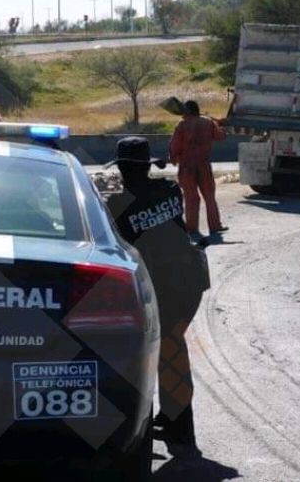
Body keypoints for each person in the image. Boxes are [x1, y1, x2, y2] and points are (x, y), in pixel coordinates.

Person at [105, 137, 209, 459]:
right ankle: (175, 418)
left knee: (167, 347)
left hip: (165, 283)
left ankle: (181, 430)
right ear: (147, 166)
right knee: (171, 347)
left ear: (122, 168)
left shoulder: (118, 205)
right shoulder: (168, 190)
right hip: (190, 279)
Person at [169, 100, 228, 243]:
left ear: (187, 111)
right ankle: (215, 226)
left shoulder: (182, 125)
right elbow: (221, 137)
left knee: (191, 198)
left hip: (187, 166)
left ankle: (192, 228)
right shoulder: (208, 122)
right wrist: (220, 125)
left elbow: (174, 145)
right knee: (209, 196)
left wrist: (173, 158)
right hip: (203, 164)